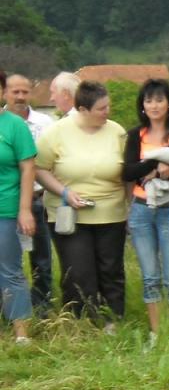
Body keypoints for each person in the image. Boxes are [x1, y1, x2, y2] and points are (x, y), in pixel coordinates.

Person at [33, 81, 128, 327]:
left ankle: (113, 321)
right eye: (101, 108)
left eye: (108, 106)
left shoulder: (117, 132)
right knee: (78, 271)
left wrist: (131, 205)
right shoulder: (56, 132)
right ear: (83, 109)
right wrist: (64, 192)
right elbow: (39, 169)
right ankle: (82, 322)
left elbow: (128, 170)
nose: (107, 112)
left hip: (111, 212)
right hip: (69, 215)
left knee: (111, 269)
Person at [121, 79, 169, 342]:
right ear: (143, 105)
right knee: (150, 276)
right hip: (141, 210)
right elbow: (128, 171)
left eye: (159, 100)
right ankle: (156, 334)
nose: (154, 105)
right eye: (149, 100)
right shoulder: (136, 135)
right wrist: (156, 164)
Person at [2, 73, 55, 316]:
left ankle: (41, 310)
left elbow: (39, 164)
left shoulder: (44, 123)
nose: (21, 97)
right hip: (11, 201)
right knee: (9, 263)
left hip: (34, 200)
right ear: (6, 93)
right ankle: (7, 311)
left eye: (25, 92)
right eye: (16, 92)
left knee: (40, 260)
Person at [0, 69, 37, 343]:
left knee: (10, 270)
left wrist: (24, 210)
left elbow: (28, 169)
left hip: (7, 209)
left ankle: (21, 333)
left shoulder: (15, 126)